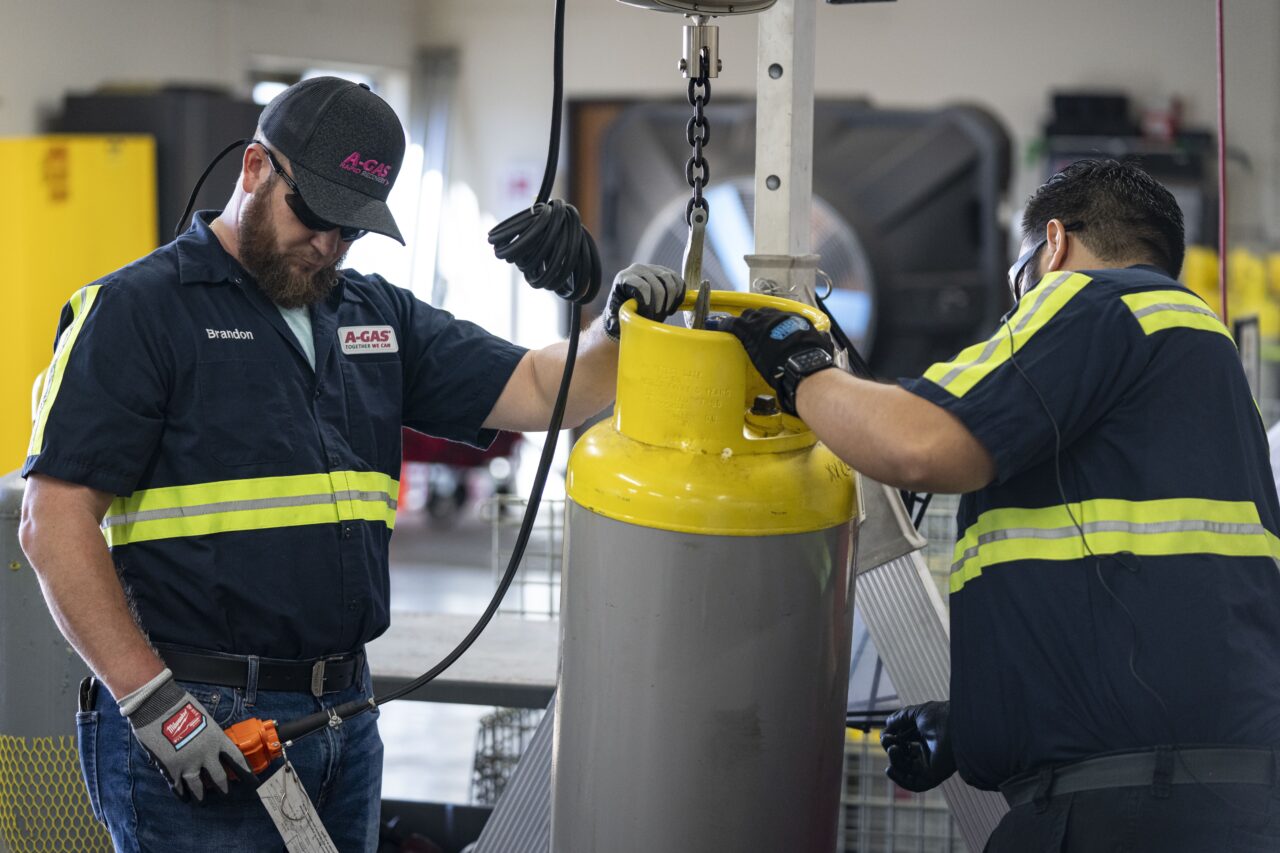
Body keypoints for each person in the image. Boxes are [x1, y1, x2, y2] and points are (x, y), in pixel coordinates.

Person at [17, 76, 684, 851]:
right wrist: (153, 701)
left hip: (344, 719)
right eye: (316, 217)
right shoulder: (139, 312)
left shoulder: (373, 315)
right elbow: (53, 521)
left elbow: (543, 388)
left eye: (352, 229)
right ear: (256, 169)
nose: (330, 244)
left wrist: (618, 328)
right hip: (200, 722)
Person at [717, 159, 1280, 850]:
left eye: (1021, 288)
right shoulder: (1196, 372)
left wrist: (800, 366)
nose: (1021, 308)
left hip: (1123, 813)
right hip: (1197, 802)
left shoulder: (1098, 302)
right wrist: (985, 723)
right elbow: (1151, 604)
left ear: (1054, 245)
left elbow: (923, 443)